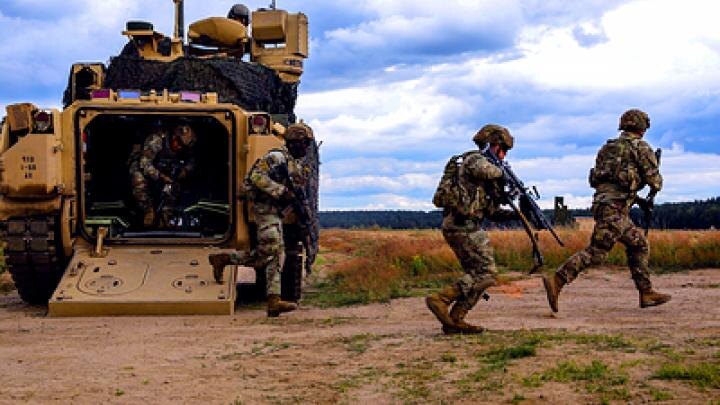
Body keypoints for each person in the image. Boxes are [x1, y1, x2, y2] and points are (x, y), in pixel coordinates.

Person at [543, 109, 671, 312]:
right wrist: (653, 186)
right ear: (642, 127)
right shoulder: (641, 148)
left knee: (639, 244)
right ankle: (557, 279)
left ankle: (646, 292)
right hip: (615, 210)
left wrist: (637, 199)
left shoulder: (607, 149)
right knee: (597, 252)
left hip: (608, 206)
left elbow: (608, 183)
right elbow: (654, 180)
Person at [209, 123, 313, 317]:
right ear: (294, 142)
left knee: (274, 254)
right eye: (303, 143)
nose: (305, 148)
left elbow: (297, 193)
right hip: (263, 207)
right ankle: (227, 260)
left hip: (276, 210)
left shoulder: (294, 164)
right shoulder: (275, 157)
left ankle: (273, 300)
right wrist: (281, 191)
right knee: (272, 247)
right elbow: (256, 177)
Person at [426, 124, 518, 334]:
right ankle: (441, 299)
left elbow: (490, 211)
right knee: (486, 273)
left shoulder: (484, 178)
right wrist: (504, 174)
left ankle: (456, 319)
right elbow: (487, 170)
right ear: (494, 145)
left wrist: (516, 214)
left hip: (466, 225)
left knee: (479, 275)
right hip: (461, 226)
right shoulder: (474, 160)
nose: (504, 155)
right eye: (503, 150)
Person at [129, 124, 196, 227]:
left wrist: (185, 171)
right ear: (174, 136)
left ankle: (165, 216)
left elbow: (191, 161)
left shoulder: (184, 148)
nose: (179, 147)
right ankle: (148, 211)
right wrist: (160, 176)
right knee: (137, 175)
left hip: (166, 175)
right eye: (178, 142)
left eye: (183, 146)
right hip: (148, 171)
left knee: (174, 186)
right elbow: (144, 163)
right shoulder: (157, 140)